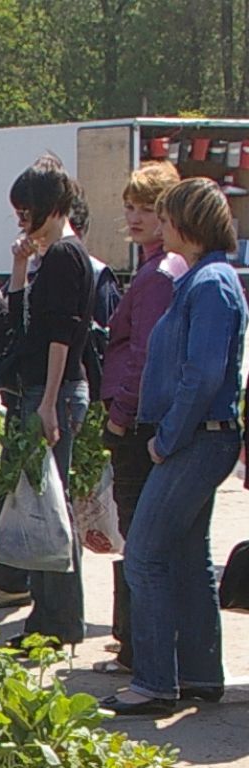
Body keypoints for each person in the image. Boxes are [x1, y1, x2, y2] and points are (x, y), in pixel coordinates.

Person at [103, 178, 247, 715]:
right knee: (187, 556)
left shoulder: (209, 284)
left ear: (187, 224)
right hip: (199, 438)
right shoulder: (204, 279)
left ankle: (156, 681)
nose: (158, 228)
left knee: (143, 554)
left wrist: (165, 438)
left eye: (165, 219)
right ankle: (201, 676)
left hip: (195, 439)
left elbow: (203, 374)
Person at [0, 158, 97, 646]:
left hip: (51, 392)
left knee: (51, 510)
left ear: (51, 207)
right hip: (40, 391)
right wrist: (18, 267)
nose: (22, 221)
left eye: (26, 211)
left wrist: (50, 402)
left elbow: (60, 335)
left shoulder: (64, 256)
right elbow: (21, 321)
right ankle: (49, 617)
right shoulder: (48, 256)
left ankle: (58, 621)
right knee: (44, 504)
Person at [94, 161, 186, 676]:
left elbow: (146, 354)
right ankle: (138, 645)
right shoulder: (157, 268)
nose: (134, 216)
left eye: (146, 209)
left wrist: (121, 415)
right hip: (140, 416)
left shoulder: (159, 274)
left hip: (136, 420)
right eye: (130, 206)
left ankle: (139, 651)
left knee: (141, 538)